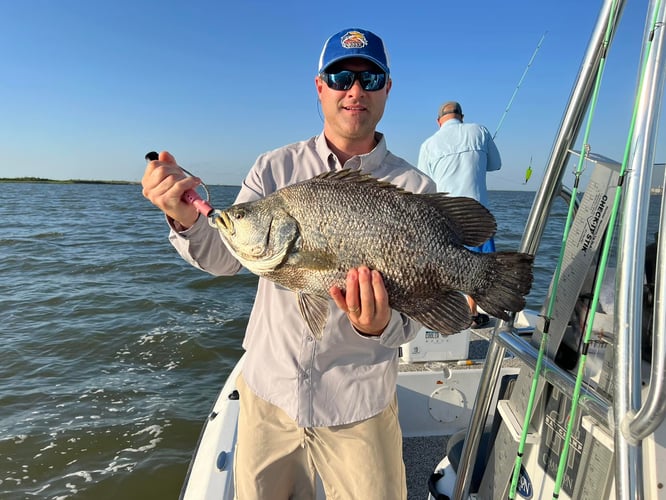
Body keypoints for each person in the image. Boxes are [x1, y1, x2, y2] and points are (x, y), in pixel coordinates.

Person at [142, 28, 436, 499]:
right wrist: (184, 220)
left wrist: (380, 326)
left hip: (357, 406)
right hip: (269, 395)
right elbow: (226, 257)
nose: (354, 90)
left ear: (387, 88)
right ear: (320, 86)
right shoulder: (273, 170)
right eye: (340, 76)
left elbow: (416, 318)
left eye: (370, 77)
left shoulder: (414, 188)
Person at [417, 101, 501, 328]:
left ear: (438, 121)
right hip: (477, 215)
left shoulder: (428, 145)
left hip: (444, 217)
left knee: (444, 265)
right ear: (461, 116)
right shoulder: (479, 131)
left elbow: (424, 185)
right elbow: (496, 164)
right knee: (480, 266)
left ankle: (449, 314)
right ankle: (472, 314)